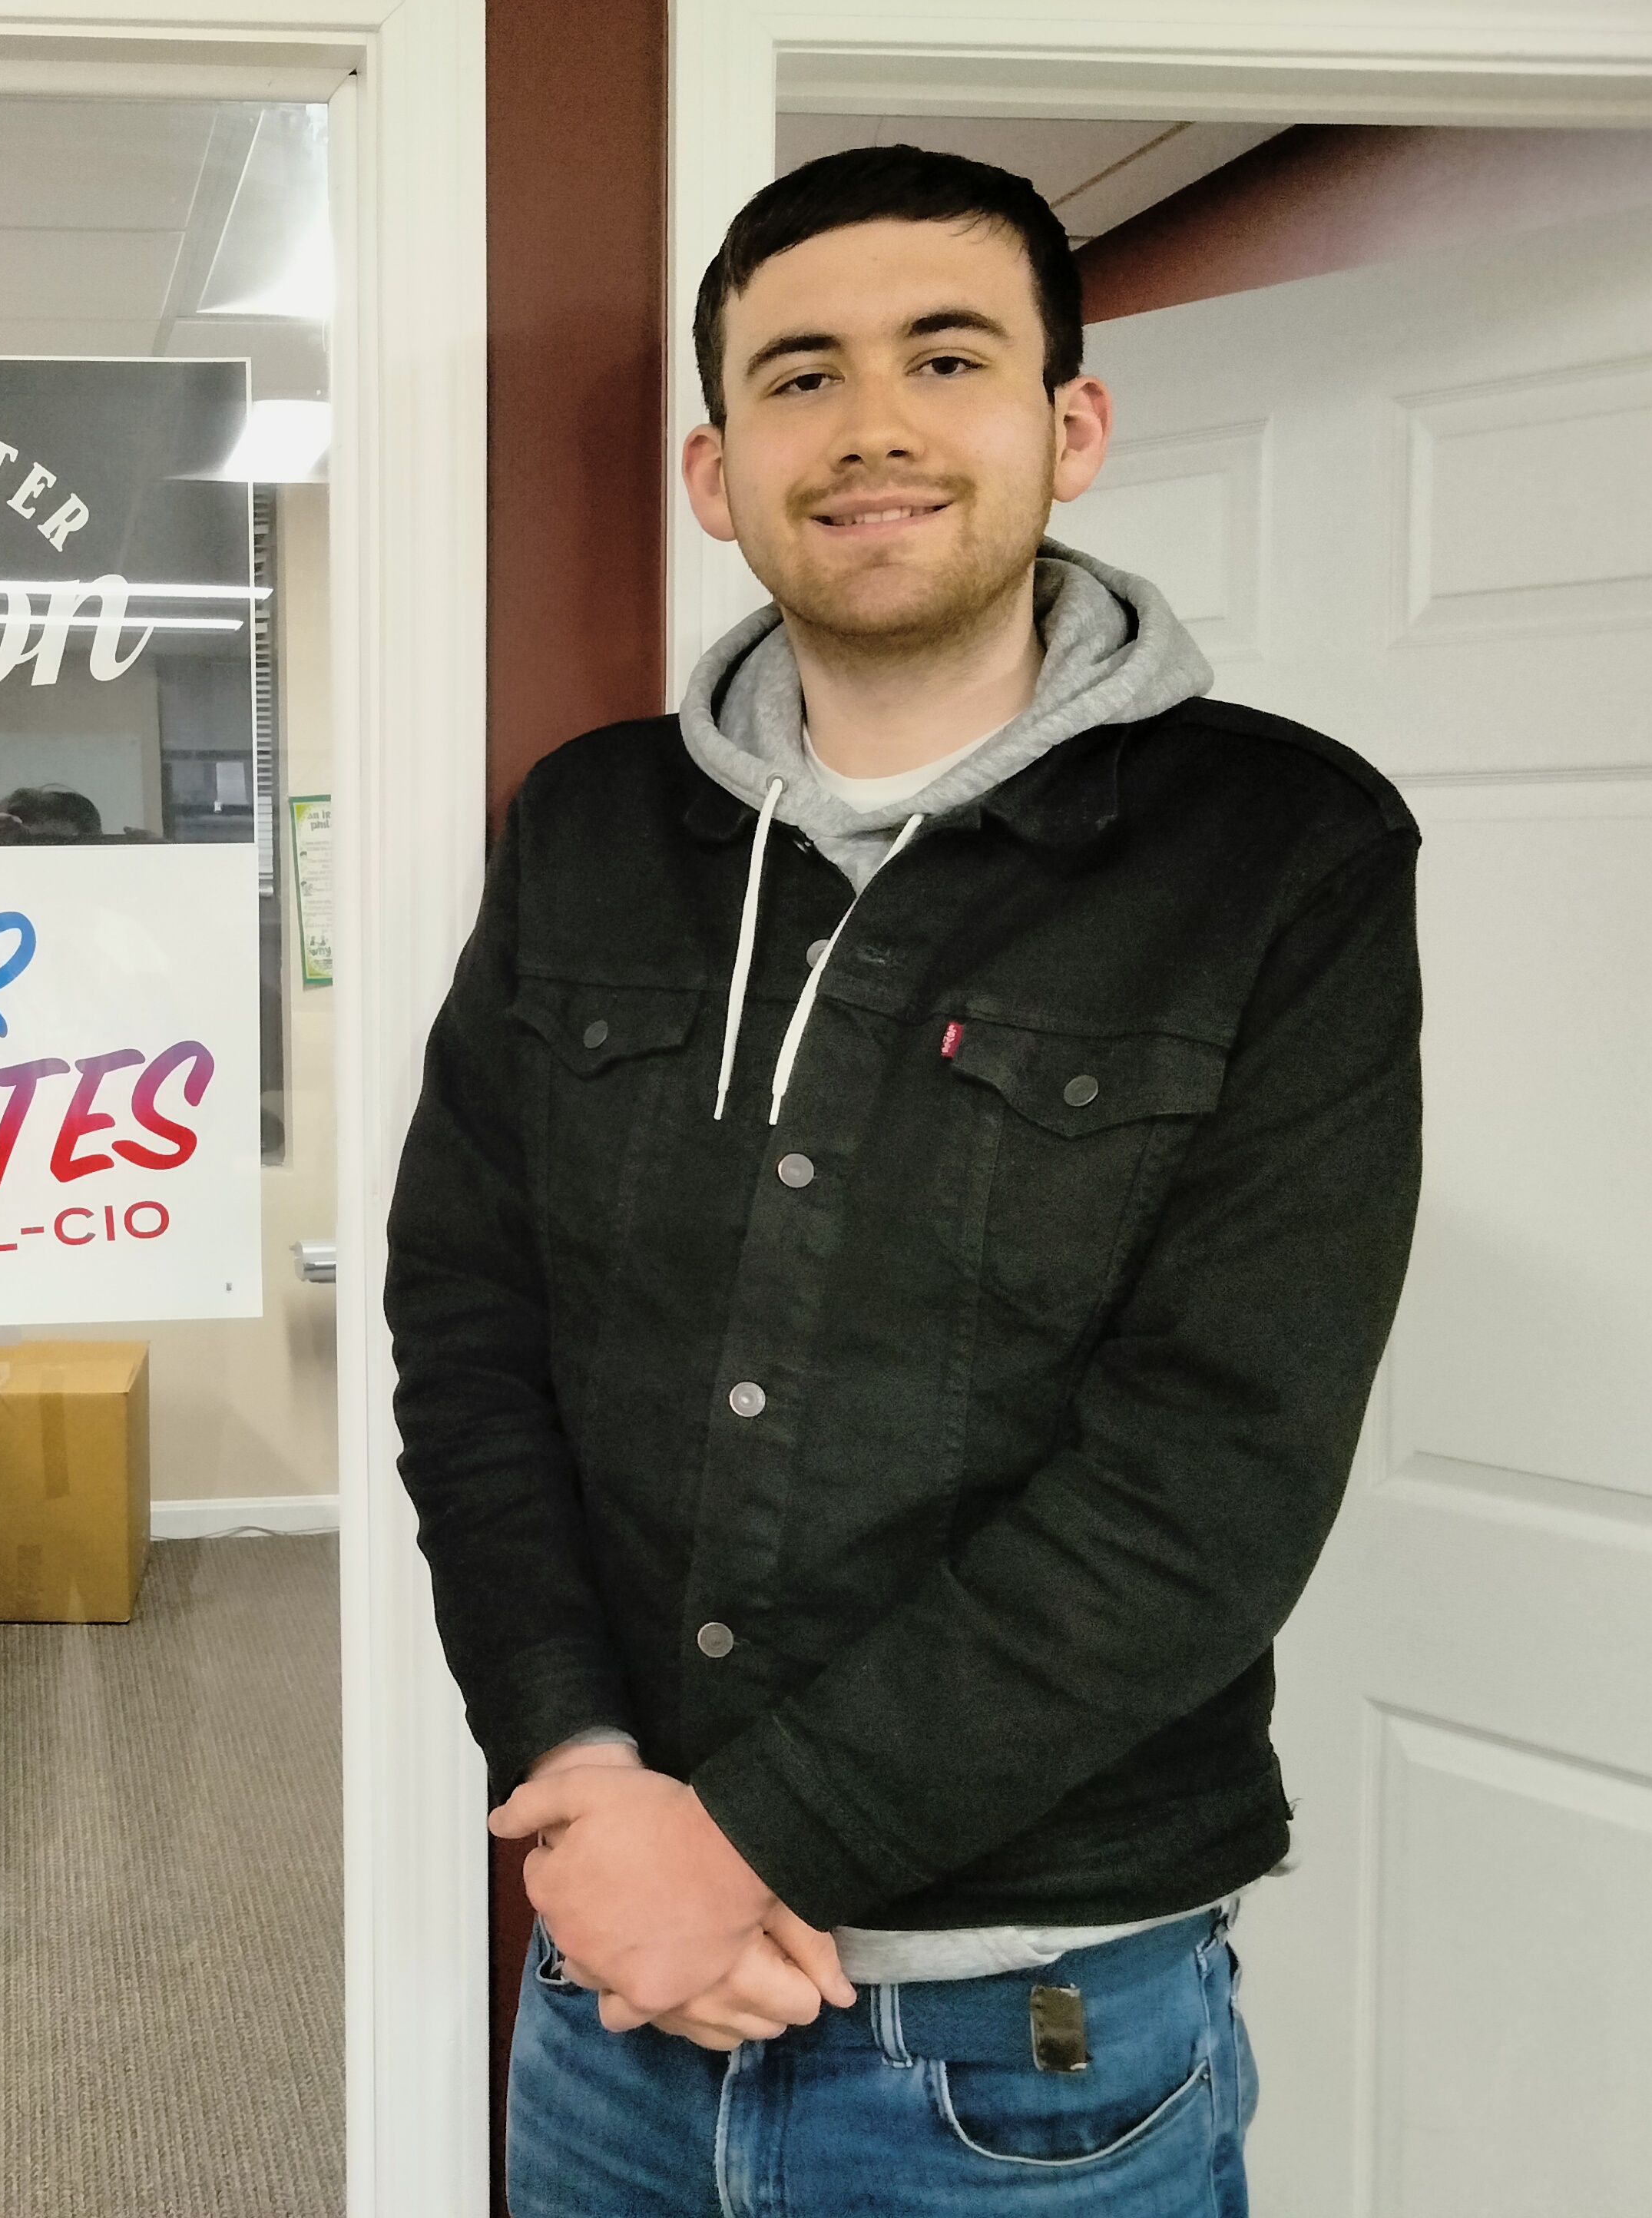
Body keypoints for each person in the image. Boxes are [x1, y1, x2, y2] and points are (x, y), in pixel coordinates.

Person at [384, 146, 1422, 2211]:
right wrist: (578, 1768)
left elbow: (1217, 1467)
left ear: (1070, 427)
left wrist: (733, 1846)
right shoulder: (588, 827)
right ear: (717, 472)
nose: (869, 424)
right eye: (799, 377)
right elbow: (471, 1332)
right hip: (617, 2003)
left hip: (1033, 2059)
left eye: (945, 358)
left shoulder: (1277, 852)